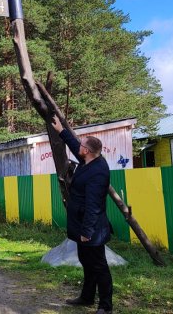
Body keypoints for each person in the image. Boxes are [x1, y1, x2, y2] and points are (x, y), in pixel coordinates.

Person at [51, 115, 113, 314]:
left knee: (99, 266)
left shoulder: (98, 171)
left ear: (86, 151)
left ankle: (105, 306)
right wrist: (62, 130)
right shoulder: (89, 161)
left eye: (82, 145)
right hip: (82, 224)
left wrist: (87, 231)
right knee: (86, 262)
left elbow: (93, 204)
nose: (79, 146)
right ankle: (87, 297)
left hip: (92, 228)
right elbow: (73, 143)